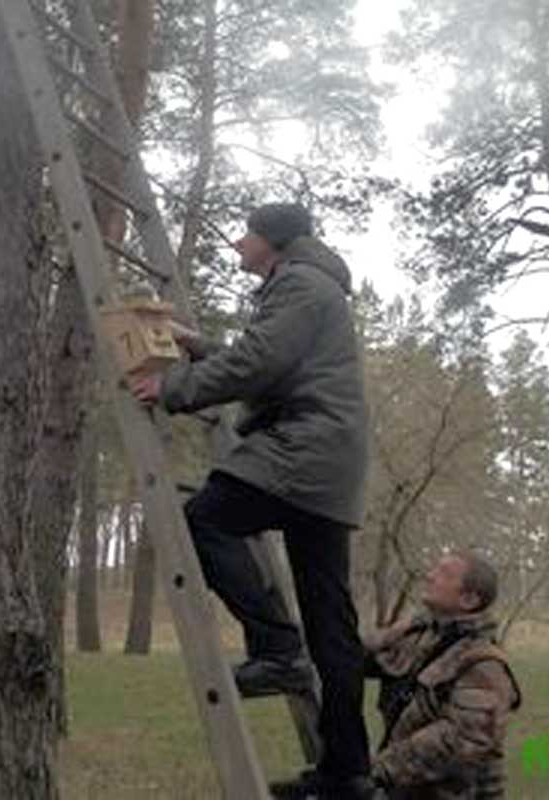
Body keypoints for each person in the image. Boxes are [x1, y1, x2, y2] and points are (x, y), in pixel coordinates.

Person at [130, 203, 374, 798]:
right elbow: (272, 365)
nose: (238, 243)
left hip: (301, 447)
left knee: (200, 522)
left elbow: (260, 363)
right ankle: (347, 773)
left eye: (247, 234)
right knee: (332, 623)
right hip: (329, 463)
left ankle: (275, 646)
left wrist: (171, 387)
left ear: (273, 241)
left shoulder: (297, 283)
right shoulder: (311, 287)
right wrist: (198, 346)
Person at [364, 552, 522, 799]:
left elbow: (462, 740)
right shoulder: (417, 633)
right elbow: (361, 653)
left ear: (469, 599)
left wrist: (379, 768)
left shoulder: (484, 664)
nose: (429, 576)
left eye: (445, 574)